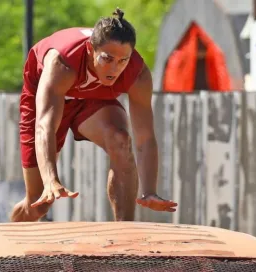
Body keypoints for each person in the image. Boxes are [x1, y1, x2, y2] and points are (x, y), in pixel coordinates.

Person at [10, 8, 178, 222]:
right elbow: (45, 127)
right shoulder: (62, 63)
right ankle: (8, 235)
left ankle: (124, 236)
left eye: (123, 60)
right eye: (107, 59)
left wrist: (149, 191)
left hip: (92, 97)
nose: (115, 68)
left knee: (120, 140)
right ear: (90, 49)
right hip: (47, 100)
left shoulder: (137, 74)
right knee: (38, 205)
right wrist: (51, 179)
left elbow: (145, 137)